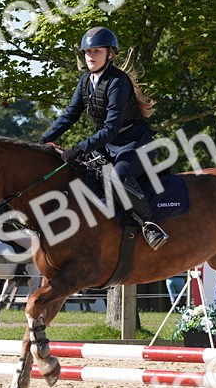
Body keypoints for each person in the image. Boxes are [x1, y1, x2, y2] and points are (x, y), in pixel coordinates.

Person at [38, 26, 168, 250]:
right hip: (108, 145)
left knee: (119, 175)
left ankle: (149, 224)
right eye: (87, 52)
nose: (90, 56)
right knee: (80, 172)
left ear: (110, 54)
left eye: (96, 51)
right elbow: (70, 114)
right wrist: (43, 140)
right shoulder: (86, 81)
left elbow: (111, 128)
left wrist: (80, 147)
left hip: (135, 143)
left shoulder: (118, 82)